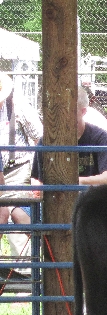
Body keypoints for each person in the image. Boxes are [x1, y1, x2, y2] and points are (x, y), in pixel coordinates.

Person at [30, 85, 107, 189]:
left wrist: (71, 183)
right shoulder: (47, 140)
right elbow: (35, 179)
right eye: (58, 108)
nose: (62, 114)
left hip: (91, 200)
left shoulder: (101, 138)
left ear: (83, 112)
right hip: (57, 200)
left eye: (67, 109)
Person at [0, 73, 43, 245]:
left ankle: (30, 263)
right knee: (1, 215)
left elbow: (40, 138)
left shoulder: (19, 106)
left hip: (18, 168)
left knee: (19, 214)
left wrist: (37, 175)